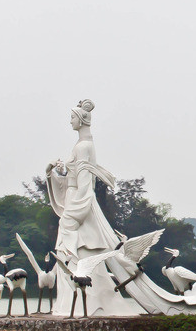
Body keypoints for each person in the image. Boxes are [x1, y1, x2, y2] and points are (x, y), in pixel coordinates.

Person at [45, 99, 141, 316]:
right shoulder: (80, 146)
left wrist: (74, 215)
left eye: (72, 118)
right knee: (71, 253)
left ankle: (85, 306)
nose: (69, 122)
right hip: (74, 199)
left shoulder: (84, 147)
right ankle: (71, 306)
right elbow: (72, 181)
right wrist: (52, 173)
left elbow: (85, 184)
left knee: (73, 251)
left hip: (79, 204)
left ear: (81, 119)